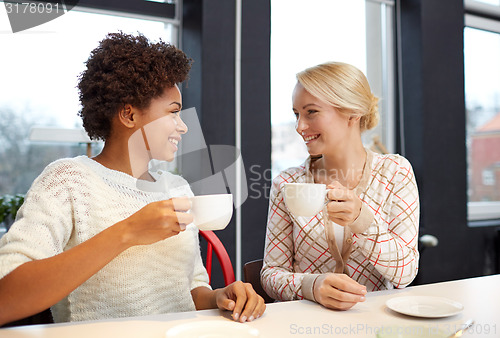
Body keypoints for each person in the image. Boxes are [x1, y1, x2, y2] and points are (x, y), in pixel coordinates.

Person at [0, 32, 265, 325]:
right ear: (128, 114)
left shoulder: (176, 187)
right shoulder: (68, 180)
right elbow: (6, 299)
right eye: (173, 113)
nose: (183, 127)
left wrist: (217, 297)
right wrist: (127, 232)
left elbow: (189, 289)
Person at [261, 62, 419, 311]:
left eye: (311, 112)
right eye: (296, 114)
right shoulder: (287, 183)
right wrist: (310, 286)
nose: (299, 127)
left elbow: (406, 273)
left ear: (352, 113)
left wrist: (362, 221)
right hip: (305, 326)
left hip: (375, 324)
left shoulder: (395, 172)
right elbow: (270, 273)